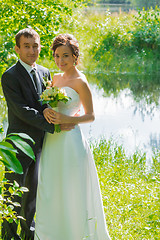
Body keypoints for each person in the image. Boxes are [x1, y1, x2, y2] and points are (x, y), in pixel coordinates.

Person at [35, 34, 111, 240]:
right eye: (57, 56)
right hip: (52, 140)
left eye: (66, 56)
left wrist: (69, 120)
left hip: (70, 140)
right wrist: (45, 112)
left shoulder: (81, 81)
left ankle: (73, 233)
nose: (60, 61)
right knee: (51, 184)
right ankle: (50, 233)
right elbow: (47, 105)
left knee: (71, 186)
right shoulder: (54, 79)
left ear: (75, 57)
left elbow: (91, 115)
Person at [1, 28, 73, 240]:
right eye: (26, 46)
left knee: (32, 191)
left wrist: (56, 114)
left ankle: (28, 232)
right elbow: (21, 109)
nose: (32, 50)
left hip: (40, 144)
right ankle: (8, 234)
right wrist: (52, 125)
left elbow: (44, 103)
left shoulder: (44, 73)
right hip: (17, 144)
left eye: (35, 46)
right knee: (13, 191)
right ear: (17, 49)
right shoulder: (9, 76)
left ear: (40, 47)